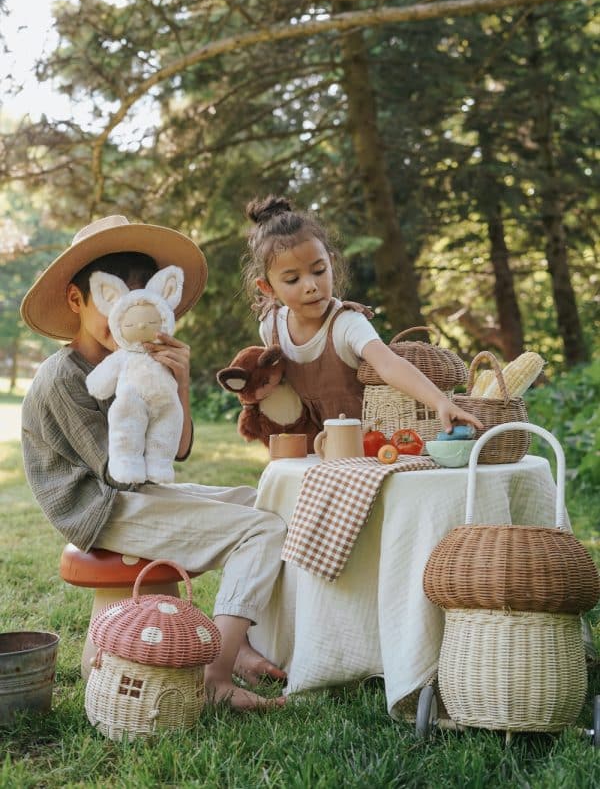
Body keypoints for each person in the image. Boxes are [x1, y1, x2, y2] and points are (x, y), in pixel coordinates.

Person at [20, 214, 287, 711]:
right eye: (112, 302)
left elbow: (178, 450)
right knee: (259, 530)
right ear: (79, 300)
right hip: (99, 507)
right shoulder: (64, 376)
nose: (128, 314)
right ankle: (215, 676)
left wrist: (177, 384)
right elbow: (116, 470)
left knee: (261, 502)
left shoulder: (137, 362)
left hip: (133, 491)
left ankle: (244, 641)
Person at [243, 196, 484, 435]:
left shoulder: (347, 323)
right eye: (292, 279)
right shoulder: (271, 326)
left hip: (367, 445)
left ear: (332, 263)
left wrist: (441, 402)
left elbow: (389, 364)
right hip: (311, 446)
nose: (310, 286)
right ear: (268, 288)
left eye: (319, 270)